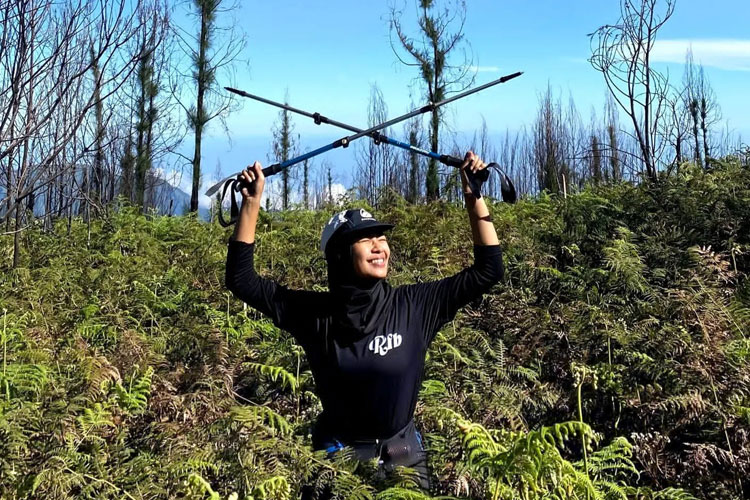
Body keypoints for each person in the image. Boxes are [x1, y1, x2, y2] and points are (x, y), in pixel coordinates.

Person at [225, 151, 504, 495]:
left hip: (404, 457)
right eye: (366, 238)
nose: (379, 246)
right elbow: (242, 280)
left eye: (382, 238)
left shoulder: (414, 306)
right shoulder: (316, 315)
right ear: (340, 255)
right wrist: (251, 204)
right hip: (337, 463)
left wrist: (473, 196)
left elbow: (488, 271)